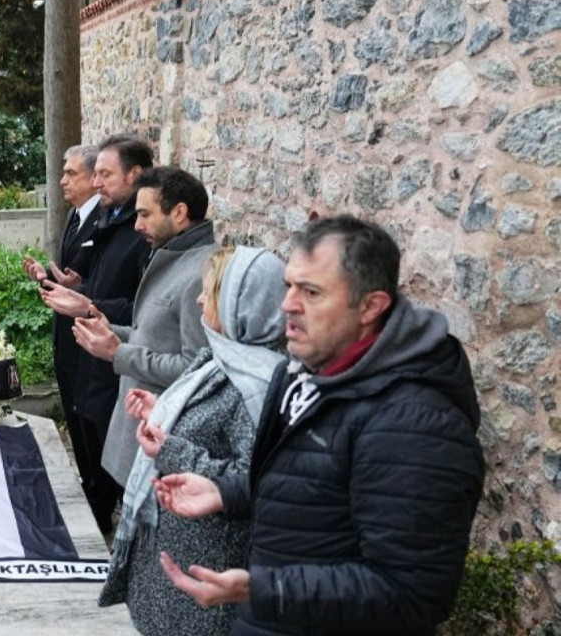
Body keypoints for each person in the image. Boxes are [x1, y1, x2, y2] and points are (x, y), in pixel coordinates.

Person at [155, 216, 485, 636]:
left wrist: (265, 589)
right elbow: (314, 485)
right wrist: (227, 491)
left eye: (311, 292)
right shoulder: (302, 374)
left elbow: (412, 593)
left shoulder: (417, 423)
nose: (288, 304)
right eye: (289, 286)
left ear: (371, 307)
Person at [98, 246, 287, 636]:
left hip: (204, 569)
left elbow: (253, 481)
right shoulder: (220, 359)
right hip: (175, 562)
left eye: (210, 292)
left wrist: (171, 449)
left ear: (238, 304)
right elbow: (204, 424)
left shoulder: (256, 386)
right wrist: (164, 411)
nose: (199, 299)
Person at [71, 166, 217, 487]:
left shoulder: (200, 274)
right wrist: (109, 331)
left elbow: (197, 370)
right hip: (140, 435)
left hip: (163, 440)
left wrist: (118, 353)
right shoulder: (170, 256)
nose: (137, 225)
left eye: (145, 214)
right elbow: (154, 336)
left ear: (179, 213)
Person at [38, 134, 153, 531]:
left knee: (113, 450)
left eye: (105, 174)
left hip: (119, 355)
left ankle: (113, 516)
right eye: (97, 174)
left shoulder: (140, 232)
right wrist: (80, 288)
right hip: (92, 351)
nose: (97, 182)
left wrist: (88, 303)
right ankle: (99, 510)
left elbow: (143, 308)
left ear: (134, 175)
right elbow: (107, 283)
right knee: (90, 438)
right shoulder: (110, 217)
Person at [22, 144, 101, 495]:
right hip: (66, 337)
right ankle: (89, 485)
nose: (62, 180)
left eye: (71, 173)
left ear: (94, 178)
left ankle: (100, 495)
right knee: (74, 416)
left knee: (90, 426)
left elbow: (98, 282)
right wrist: (44, 277)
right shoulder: (74, 215)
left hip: (91, 337)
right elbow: (68, 276)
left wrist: (77, 289)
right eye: (63, 173)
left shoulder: (103, 220)